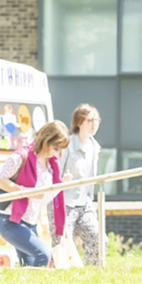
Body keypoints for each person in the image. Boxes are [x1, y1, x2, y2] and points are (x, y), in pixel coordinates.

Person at [0, 120, 72, 267]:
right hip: (11, 221)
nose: (57, 153)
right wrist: (24, 191)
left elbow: (46, 192)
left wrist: (61, 183)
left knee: (27, 266)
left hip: (31, 221)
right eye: (55, 147)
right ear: (46, 140)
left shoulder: (51, 164)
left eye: (61, 149)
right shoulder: (21, 157)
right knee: (43, 256)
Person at [47, 104, 104, 266]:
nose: (95, 124)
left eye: (97, 120)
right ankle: (57, 277)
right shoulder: (68, 145)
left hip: (83, 203)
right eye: (90, 120)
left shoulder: (95, 147)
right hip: (63, 203)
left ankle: (91, 276)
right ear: (80, 122)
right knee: (61, 245)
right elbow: (54, 173)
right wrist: (62, 179)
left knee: (98, 239)